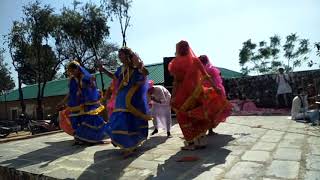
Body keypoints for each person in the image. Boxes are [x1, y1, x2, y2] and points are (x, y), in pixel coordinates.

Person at [169, 40, 232, 150]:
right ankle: (201, 140)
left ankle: (191, 143)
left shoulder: (175, 63)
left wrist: (173, 97)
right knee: (198, 115)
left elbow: (176, 82)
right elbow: (206, 76)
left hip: (183, 95)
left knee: (183, 116)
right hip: (198, 92)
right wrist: (215, 87)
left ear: (178, 50)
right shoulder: (195, 60)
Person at [104, 47, 152, 157]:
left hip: (132, 97)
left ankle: (129, 146)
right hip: (121, 97)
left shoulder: (135, 65)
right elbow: (114, 77)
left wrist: (139, 64)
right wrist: (103, 69)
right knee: (119, 120)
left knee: (130, 121)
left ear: (127, 55)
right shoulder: (120, 69)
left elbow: (145, 72)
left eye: (121, 54)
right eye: (119, 55)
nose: (119, 57)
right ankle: (127, 144)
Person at [57, 61, 108, 145]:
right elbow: (70, 93)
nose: (72, 73)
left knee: (88, 121)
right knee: (74, 121)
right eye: (70, 71)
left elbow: (92, 89)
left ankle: (91, 139)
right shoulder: (72, 80)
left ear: (78, 68)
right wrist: (62, 102)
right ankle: (78, 139)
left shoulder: (87, 77)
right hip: (74, 104)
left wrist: (89, 86)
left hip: (86, 104)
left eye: (73, 71)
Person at [199, 55, 227, 135]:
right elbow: (217, 81)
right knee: (212, 112)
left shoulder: (199, 70)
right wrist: (218, 90)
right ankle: (210, 130)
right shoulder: (211, 69)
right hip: (212, 93)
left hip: (203, 92)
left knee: (205, 112)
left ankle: (205, 130)